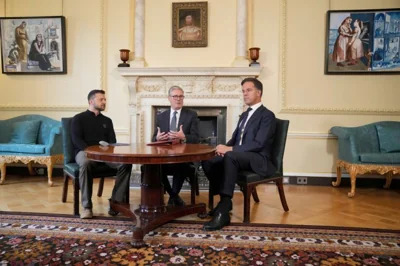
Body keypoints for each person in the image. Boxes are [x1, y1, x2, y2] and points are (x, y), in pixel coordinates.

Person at [201, 78, 276, 231]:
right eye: (243, 91)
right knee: (208, 159)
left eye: (248, 90)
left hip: (258, 158)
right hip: (240, 156)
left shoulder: (267, 115)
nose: (245, 94)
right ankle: (224, 202)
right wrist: (223, 148)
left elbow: (258, 144)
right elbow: (235, 140)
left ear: (259, 92)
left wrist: (230, 150)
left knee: (230, 156)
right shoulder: (244, 115)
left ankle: (223, 209)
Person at [71, 90, 133, 219]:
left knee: (125, 164)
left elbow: (112, 142)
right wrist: (90, 151)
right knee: (85, 163)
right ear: (91, 101)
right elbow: (76, 140)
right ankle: (87, 207)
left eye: (105, 99)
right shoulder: (79, 118)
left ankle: (115, 203)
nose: (104, 102)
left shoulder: (107, 120)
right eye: (101, 99)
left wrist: (106, 150)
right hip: (85, 152)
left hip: (105, 155)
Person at [152, 86, 199, 206]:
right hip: (165, 156)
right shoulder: (161, 116)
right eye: (175, 96)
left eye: (181, 96)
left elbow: (197, 138)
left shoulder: (191, 115)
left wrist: (184, 137)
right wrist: (157, 138)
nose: (178, 99)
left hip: (184, 157)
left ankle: (172, 196)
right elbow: (153, 139)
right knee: (155, 167)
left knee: (181, 164)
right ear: (169, 98)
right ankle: (173, 196)